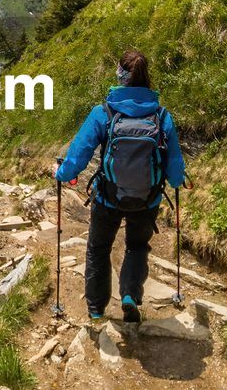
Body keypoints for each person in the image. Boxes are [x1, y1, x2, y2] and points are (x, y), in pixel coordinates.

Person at [53, 49, 185, 325]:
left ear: (120, 75)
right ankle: (129, 295)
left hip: (108, 198)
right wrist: (175, 181)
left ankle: (97, 309)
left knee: (99, 248)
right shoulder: (161, 116)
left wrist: (62, 173)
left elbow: (78, 154)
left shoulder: (103, 112)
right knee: (137, 246)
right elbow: (173, 162)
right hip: (147, 199)